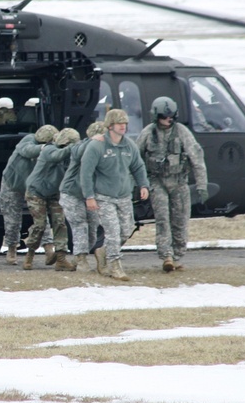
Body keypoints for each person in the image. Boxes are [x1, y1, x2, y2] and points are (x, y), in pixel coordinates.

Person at [137, 96, 209, 272]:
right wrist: (139, 184)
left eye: (171, 116)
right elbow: (136, 160)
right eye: (164, 116)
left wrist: (202, 185)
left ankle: (177, 256)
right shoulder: (147, 133)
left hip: (179, 182)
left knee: (180, 220)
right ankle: (166, 256)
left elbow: (196, 158)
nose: (168, 120)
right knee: (162, 219)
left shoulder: (182, 132)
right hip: (157, 181)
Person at [79, 109, 150, 281]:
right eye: (120, 123)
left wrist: (143, 185)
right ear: (110, 126)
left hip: (124, 196)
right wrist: (89, 196)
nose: (123, 127)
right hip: (104, 196)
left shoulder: (129, 145)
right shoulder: (96, 146)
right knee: (113, 231)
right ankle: (115, 266)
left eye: (125, 123)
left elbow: (138, 166)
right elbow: (86, 173)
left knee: (126, 230)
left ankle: (103, 251)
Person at [0, 124, 58, 265]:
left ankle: (49, 249)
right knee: (12, 220)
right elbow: (27, 151)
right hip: (12, 185)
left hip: (33, 187)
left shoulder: (52, 152)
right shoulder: (28, 140)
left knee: (41, 218)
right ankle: (12, 248)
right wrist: (43, 149)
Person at [23, 128, 81, 271]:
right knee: (40, 225)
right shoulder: (49, 150)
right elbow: (57, 156)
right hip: (36, 192)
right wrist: (75, 147)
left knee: (60, 223)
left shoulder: (70, 156)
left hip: (54, 193)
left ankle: (61, 259)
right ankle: (29, 255)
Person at [59, 121, 108, 273]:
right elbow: (79, 152)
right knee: (80, 225)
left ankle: (78, 257)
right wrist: (94, 142)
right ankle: (81, 260)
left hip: (89, 195)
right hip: (72, 193)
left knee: (93, 227)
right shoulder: (80, 146)